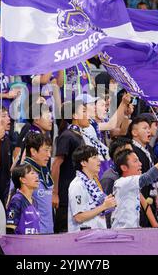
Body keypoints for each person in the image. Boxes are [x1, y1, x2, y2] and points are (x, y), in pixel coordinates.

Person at [111, 143, 158, 229]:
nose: (140, 164)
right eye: (135, 161)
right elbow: (148, 177)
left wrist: (156, 226)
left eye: (139, 160)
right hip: (122, 233)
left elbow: (145, 204)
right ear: (124, 167)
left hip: (132, 231)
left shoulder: (132, 185)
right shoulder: (123, 182)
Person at [52, 100, 88, 233]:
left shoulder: (79, 136)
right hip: (64, 192)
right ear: (74, 115)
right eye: (83, 112)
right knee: (63, 229)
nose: (87, 115)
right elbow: (56, 164)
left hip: (76, 191)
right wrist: (55, 193)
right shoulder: (67, 136)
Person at [68, 145, 116, 232]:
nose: (99, 160)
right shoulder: (77, 185)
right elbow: (79, 217)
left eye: (97, 156)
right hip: (83, 237)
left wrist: (107, 203)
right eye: (94, 157)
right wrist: (104, 206)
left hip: (98, 233)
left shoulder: (94, 183)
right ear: (83, 163)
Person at [22, 133, 53, 233]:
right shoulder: (23, 173)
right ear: (33, 151)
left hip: (49, 233)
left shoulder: (45, 172)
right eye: (46, 150)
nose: (49, 155)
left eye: (50, 150)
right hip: (34, 236)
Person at [6, 163, 40, 235]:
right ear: (23, 180)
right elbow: (10, 229)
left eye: (36, 173)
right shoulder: (17, 200)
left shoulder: (35, 202)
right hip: (21, 245)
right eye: (32, 173)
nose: (36, 176)